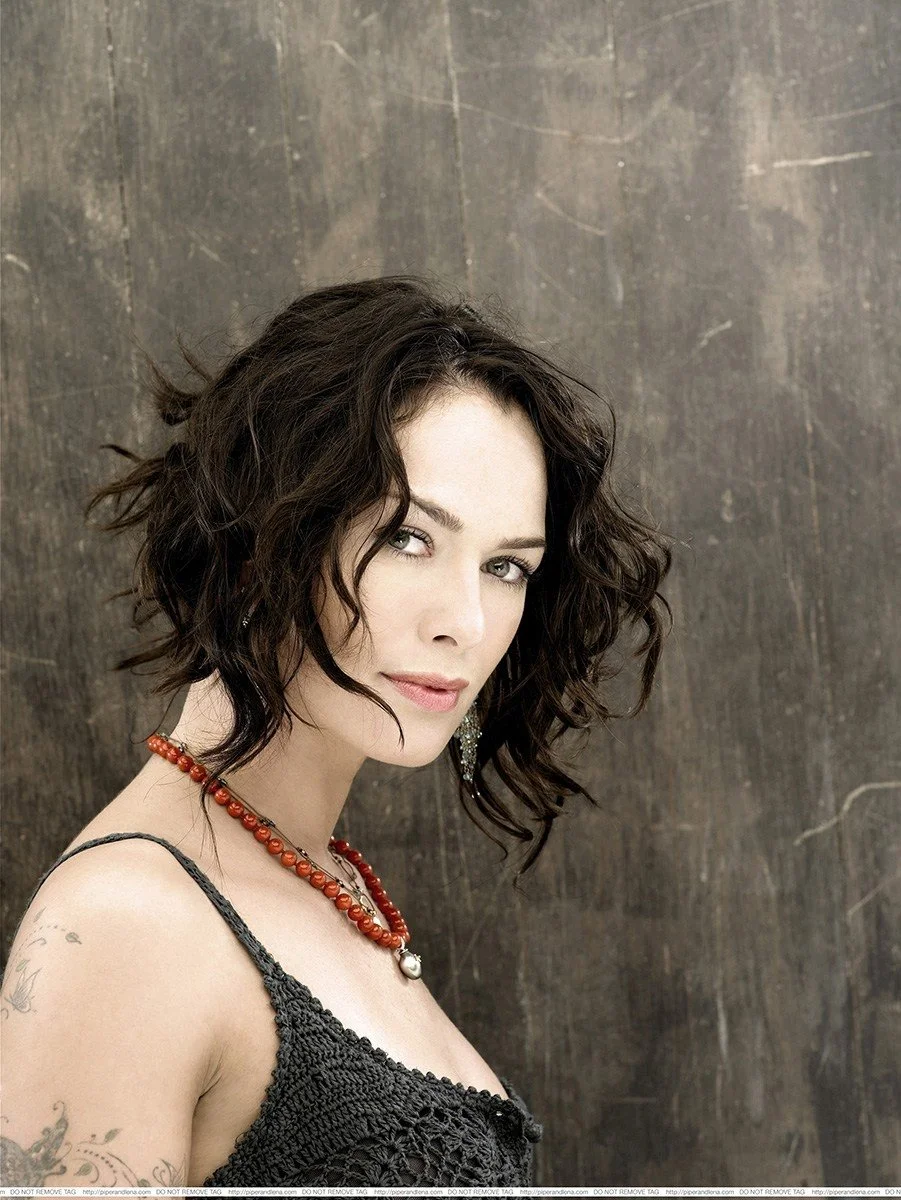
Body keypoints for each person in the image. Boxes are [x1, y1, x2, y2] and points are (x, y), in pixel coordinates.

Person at [0, 275, 673, 1189]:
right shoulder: (128, 924)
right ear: (258, 532)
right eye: (406, 538)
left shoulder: (328, 882)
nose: (467, 622)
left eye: (507, 566)